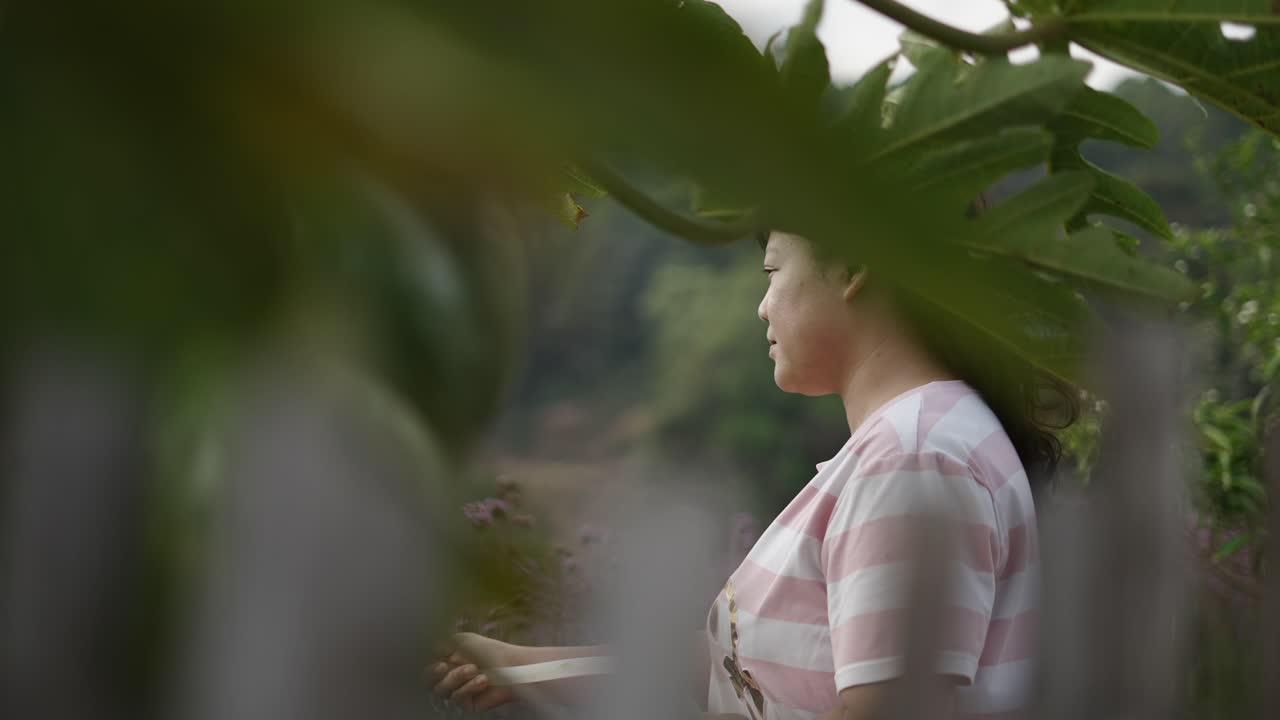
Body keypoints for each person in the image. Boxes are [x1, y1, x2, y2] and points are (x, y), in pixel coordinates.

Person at [431, 230, 1074, 719]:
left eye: (772, 272)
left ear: (852, 270)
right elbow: (740, 667)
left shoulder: (911, 460)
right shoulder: (915, 442)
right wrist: (519, 665)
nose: (763, 309)